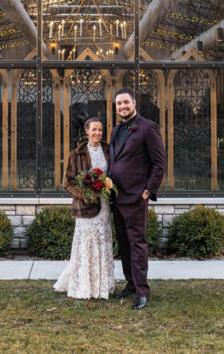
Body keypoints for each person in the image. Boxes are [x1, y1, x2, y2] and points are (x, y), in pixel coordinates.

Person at [108, 88, 166, 310]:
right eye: (118, 104)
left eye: (125, 103)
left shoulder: (147, 128)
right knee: (123, 244)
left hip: (135, 197)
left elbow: (159, 163)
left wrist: (147, 191)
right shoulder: (115, 130)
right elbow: (114, 160)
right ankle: (130, 283)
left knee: (138, 244)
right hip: (116, 197)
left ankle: (142, 291)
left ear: (134, 102)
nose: (122, 107)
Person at [53, 117, 115, 299]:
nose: (97, 133)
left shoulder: (108, 151)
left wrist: (108, 186)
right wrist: (85, 194)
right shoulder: (76, 154)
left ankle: (101, 286)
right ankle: (84, 286)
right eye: (94, 129)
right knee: (87, 244)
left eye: (100, 130)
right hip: (85, 207)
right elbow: (68, 182)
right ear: (86, 131)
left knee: (102, 242)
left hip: (103, 206)